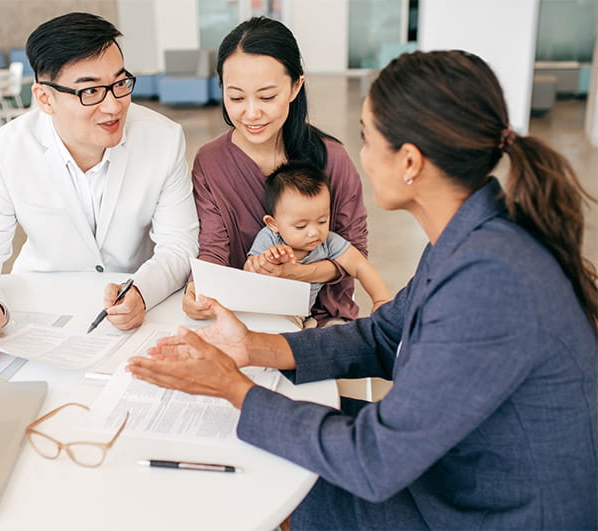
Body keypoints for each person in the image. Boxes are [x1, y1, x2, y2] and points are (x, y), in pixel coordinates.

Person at [128, 50, 598, 529]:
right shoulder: (472, 238)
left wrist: (235, 388)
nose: (362, 158)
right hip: (459, 470)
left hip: (487, 511)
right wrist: (253, 347)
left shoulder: (489, 284)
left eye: (367, 139)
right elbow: (381, 335)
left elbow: (374, 462)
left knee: (266, 466)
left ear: (410, 160)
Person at [0, 12, 198, 355]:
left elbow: (180, 243)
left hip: (129, 306)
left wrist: (141, 290)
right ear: (45, 99)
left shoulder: (163, 138)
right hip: (41, 306)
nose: (113, 106)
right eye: (91, 91)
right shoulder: (6, 149)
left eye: (120, 83)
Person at [182, 17, 368, 326]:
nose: (251, 113)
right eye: (236, 97)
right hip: (245, 313)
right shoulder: (210, 162)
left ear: (296, 87)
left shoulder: (332, 159)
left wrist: (295, 273)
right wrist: (195, 287)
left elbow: (354, 253)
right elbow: (213, 248)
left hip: (323, 316)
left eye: (267, 97)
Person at [247, 160, 390, 319]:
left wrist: (381, 299)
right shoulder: (270, 238)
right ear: (273, 223)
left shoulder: (329, 243)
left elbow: (360, 266)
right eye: (301, 226)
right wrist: (267, 260)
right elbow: (248, 272)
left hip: (299, 319)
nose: (314, 233)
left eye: (322, 221)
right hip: (261, 314)